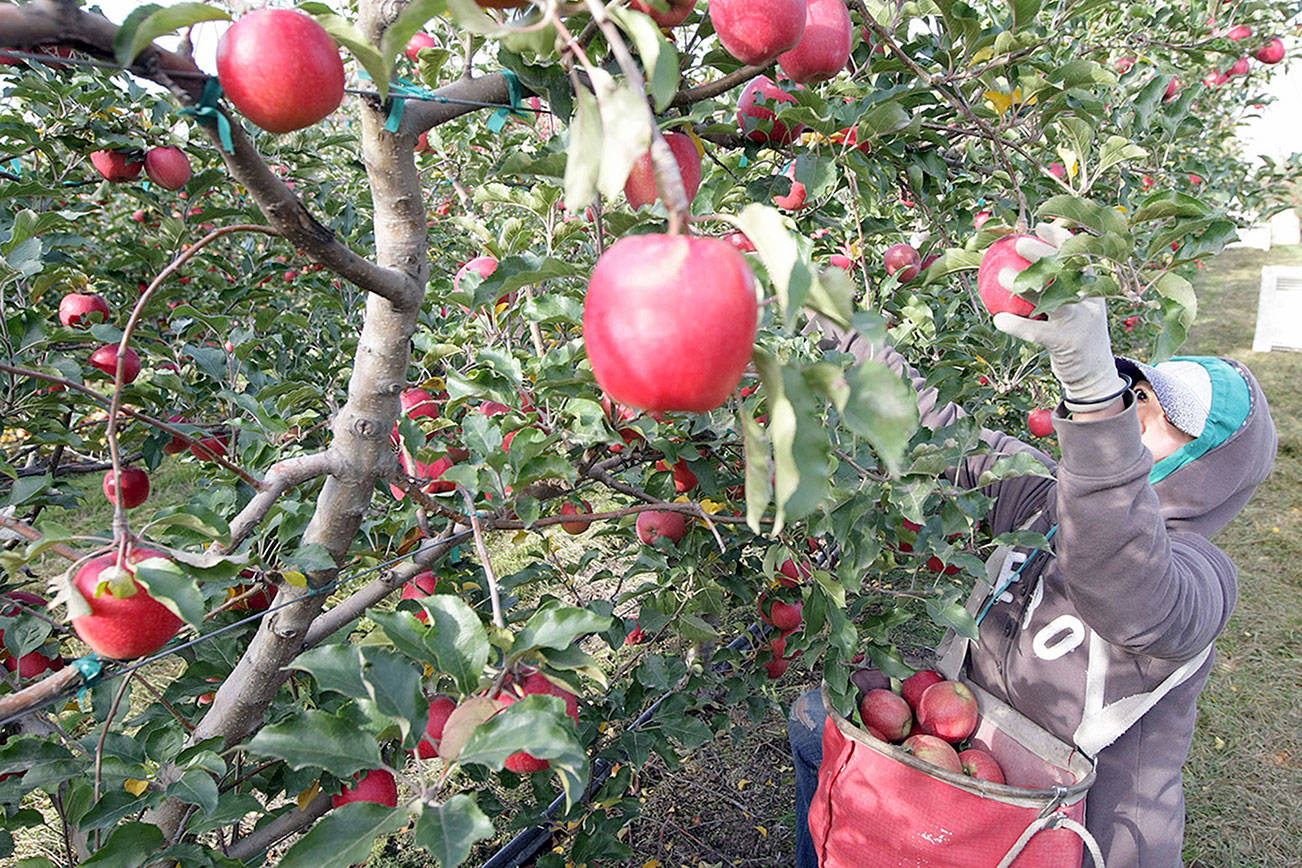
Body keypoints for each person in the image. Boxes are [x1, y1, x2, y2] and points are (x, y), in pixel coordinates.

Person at [788, 225, 1279, 867]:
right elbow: (937, 431)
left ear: (1209, 471)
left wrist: (1098, 408)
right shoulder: (1047, 498)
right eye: (1134, 399)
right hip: (973, 771)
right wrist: (835, 317)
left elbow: (1119, 576)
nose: (1132, 421)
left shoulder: (1199, 580)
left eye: (1161, 424)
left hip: (1067, 837)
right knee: (812, 724)